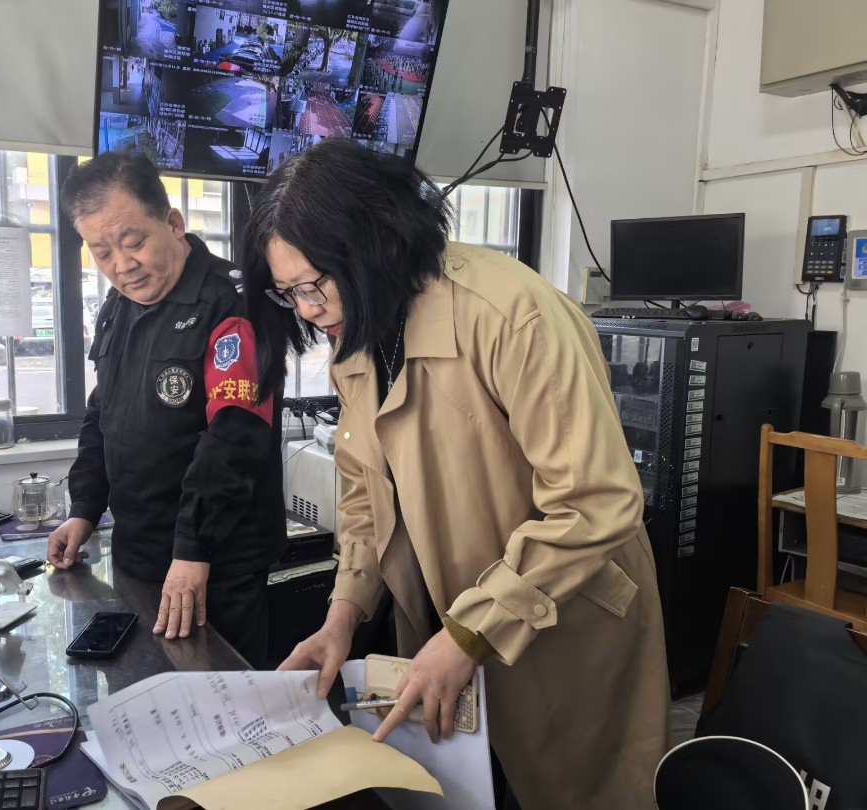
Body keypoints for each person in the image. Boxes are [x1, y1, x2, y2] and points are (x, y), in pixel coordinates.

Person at [242, 138, 669, 810]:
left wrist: (471, 630)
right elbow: (364, 498)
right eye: (289, 292)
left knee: (574, 792)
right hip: (448, 628)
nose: (308, 310)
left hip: (564, 625)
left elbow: (595, 502)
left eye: (316, 284)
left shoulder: (510, 313)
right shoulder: (357, 338)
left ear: (378, 245)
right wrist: (342, 616)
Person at [48, 149, 285, 667]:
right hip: (138, 554)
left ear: (173, 224)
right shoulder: (119, 307)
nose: (122, 266)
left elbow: (235, 438)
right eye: (102, 253)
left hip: (214, 566)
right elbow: (103, 414)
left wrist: (193, 549)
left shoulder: (233, 304)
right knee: (143, 692)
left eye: (133, 243)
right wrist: (85, 509)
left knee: (221, 704)